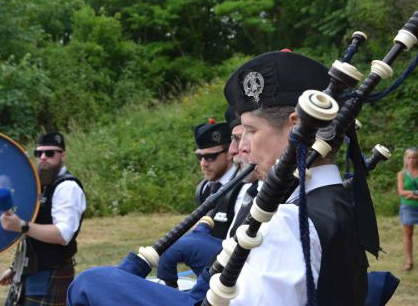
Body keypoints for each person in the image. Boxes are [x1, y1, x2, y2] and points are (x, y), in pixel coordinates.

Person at [67, 51, 369, 306]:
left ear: (294, 127)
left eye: (251, 130)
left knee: (91, 283)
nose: (242, 147)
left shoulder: (287, 223)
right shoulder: (333, 201)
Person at [156, 109, 252, 288]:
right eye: (199, 156)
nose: (203, 163)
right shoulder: (204, 188)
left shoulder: (244, 189)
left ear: (229, 153)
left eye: (210, 156)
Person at [0, 132, 86, 306]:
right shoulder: (42, 185)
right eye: (39, 153)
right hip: (30, 273)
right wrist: (16, 268)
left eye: (50, 153)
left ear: (63, 156)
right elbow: (34, 238)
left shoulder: (67, 187)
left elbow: (62, 235)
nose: (43, 157)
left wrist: (22, 226)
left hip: (51, 274)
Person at [397, 147, 418, 271]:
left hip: (412, 201)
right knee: (407, 234)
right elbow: (401, 192)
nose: (411, 160)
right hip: (408, 207)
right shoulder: (401, 174)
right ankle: (409, 261)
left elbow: (407, 193)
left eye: (414, 157)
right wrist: (412, 195)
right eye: (409, 157)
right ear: (405, 159)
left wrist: (413, 194)